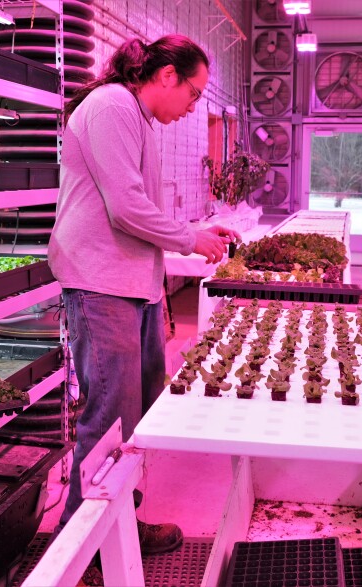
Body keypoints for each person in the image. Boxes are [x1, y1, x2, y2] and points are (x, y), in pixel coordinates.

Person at [47, 34, 240, 554]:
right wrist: (189, 240)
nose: (194, 106)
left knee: (137, 414)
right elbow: (125, 208)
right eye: (195, 94)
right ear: (167, 75)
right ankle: (77, 551)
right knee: (108, 419)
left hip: (133, 285)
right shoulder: (110, 106)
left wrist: (197, 232)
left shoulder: (138, 118)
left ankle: (118, 529)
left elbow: (139, 206)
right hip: (100, 283)